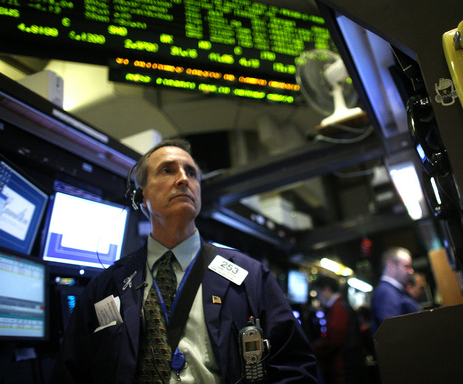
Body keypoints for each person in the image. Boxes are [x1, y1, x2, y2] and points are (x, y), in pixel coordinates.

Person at [49, 138, 317, 384]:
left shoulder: (250, 275)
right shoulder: (106, 286)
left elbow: (296, 367)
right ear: (140, 195)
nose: (183, 180)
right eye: (167, 170)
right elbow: (71, 373)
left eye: (191, 173)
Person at [311, 275, 366, 384]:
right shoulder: (342, 304)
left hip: (343, 366)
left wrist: (313, 350)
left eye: (318, 293)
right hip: (350, 363)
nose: (318, 298)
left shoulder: (338, 308)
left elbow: (334, 340)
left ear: (326, 289)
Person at [371, 247, 422, 334]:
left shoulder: (393, 290)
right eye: (406, 266)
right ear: (391, 267)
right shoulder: (385, 293)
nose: (411, 271)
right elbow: (393, 333)